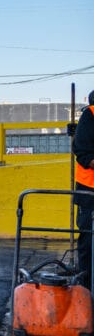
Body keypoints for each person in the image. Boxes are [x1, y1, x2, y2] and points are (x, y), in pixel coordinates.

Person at [73, 90, 94, 288]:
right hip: (89, 191)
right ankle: (86, 286)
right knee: (88, 238)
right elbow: (83, 153)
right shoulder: (90, 115)